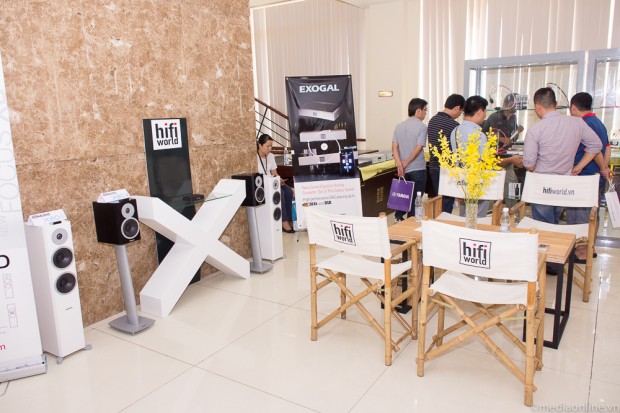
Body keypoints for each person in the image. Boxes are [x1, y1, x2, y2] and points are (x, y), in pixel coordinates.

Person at [523, 87, 605, 225]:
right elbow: (596, 145)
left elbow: (529, 165)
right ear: (555, 104)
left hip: (542, 186)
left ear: (537, 107)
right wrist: (579, 166)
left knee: (543, 225)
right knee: (556, 223)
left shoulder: (535, 130)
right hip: (565, 185)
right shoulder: (577, 123)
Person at [568, 92, 611, 262]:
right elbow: (607, 147)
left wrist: (602, 168)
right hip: (595, 177)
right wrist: (604, 168)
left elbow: (595, 150)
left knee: (580, 215)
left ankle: (582, 252)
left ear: (573, 107)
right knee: (593, 213)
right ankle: (589, 248)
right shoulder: (598, 122)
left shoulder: (583, 123)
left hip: (585, 177)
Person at [449, 95, 492, 218]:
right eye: (485, 112)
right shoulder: (479, 135)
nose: (485, 116)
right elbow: (485, 161)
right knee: (476, 218)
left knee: (464, 215)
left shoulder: (455, 131)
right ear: (480, 112)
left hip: (461, 180)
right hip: (477, 182)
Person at [482, 94, 525, 208]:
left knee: (512, 183)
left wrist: (516, 134)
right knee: (492, 185)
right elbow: (484, 134)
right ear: (506, 104)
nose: (515, 106)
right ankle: (489, 212)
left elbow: (513, 137)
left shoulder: (513, 118)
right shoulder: (494, 117)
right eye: (514, 104)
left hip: (507, 157)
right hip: (493, 158)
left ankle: (512, 211)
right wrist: (501, 139)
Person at [427, 94, 465, 213]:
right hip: (448, 169)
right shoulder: (454, 126)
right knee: (447, 203)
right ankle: (443, 222)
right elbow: (458, 150)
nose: (460, 115)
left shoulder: (432, 120)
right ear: (457, 108)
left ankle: (437, 221)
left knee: (439, 201)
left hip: (434, 167)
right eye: (461, 112)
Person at [392, 98, 428, 222]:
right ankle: (411, 222)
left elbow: (394, 148)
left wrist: (400, 165)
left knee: (403, 195)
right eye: (425, 110)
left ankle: (398, 218)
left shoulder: (399, 126)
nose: (425, 113)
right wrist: (406, 162)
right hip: (418, 169)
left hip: (403, 170)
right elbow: (419, 147)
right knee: (416, 199)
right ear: (418, 111)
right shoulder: (422, 127)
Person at [256, 134, 295, 233]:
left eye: (271, 146)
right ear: (260, 145)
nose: (269, 149)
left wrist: (279, 179)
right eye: (267, 146)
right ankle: (284, 222)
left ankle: (289, 219)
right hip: (262, 185)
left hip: (272, 182)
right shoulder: (254, 158)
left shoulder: (271, 156)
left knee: (289, 191)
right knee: (280, 192)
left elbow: (274, 173)